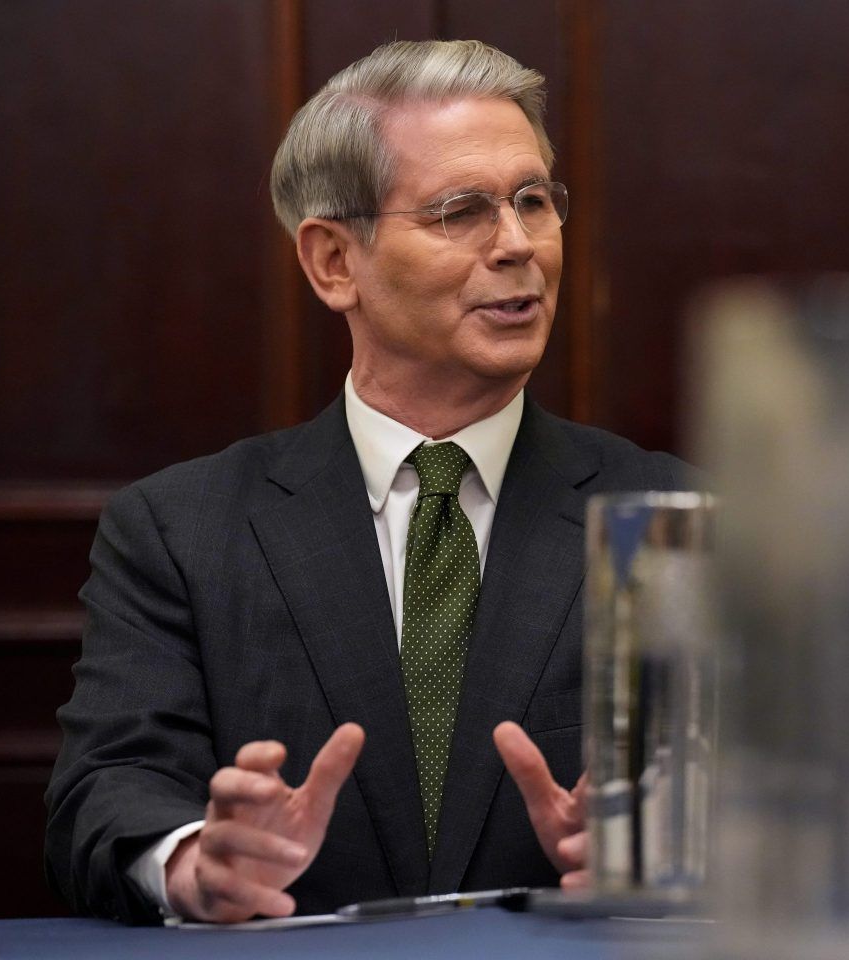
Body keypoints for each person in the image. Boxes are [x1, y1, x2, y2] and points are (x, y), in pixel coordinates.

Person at [44, 39, 696, 925]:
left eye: (534, 201)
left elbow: (785, 791)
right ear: (333, 262)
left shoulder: (669, 516)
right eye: (461, 211)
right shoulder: (178, 528)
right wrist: (198, 860)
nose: (518, 246)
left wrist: (675, 849)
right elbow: (107, 788)